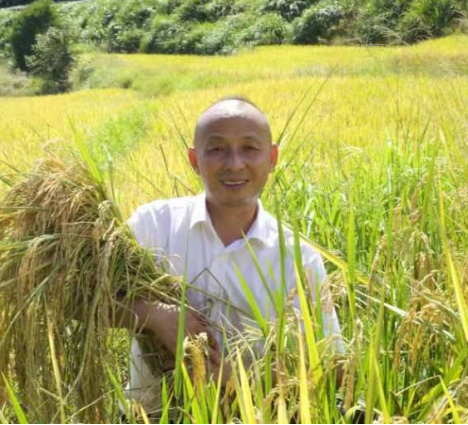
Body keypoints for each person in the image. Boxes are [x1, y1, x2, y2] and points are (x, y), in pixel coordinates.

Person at [116, 96, 344, 417]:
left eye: (249, 148)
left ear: (272, 157)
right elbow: (80, 297)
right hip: (151, 416)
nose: (234, 163)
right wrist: (153, 315)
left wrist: (231, 379)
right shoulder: (152, 225)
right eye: (217, 149)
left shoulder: (298, 258)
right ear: (194, 160)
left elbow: (330, 368)